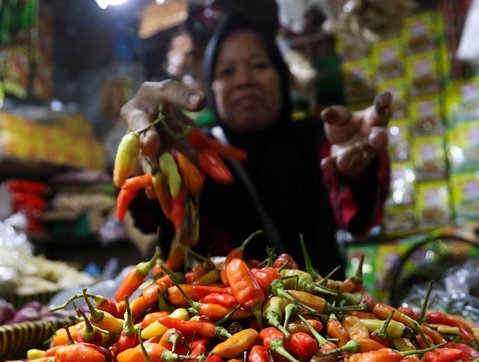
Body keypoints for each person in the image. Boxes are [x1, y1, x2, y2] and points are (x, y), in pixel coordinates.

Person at [120, 14, 392, 278]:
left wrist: (358, 172)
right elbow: (149, 218)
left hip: (319, 318)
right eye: (227, 71)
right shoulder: (187, 152)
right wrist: (145, 159)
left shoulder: (315, 140)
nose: (244, 80)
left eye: (259, 65)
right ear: (210, 88)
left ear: (281, 76)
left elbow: (358, 217)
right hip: (208, 319)